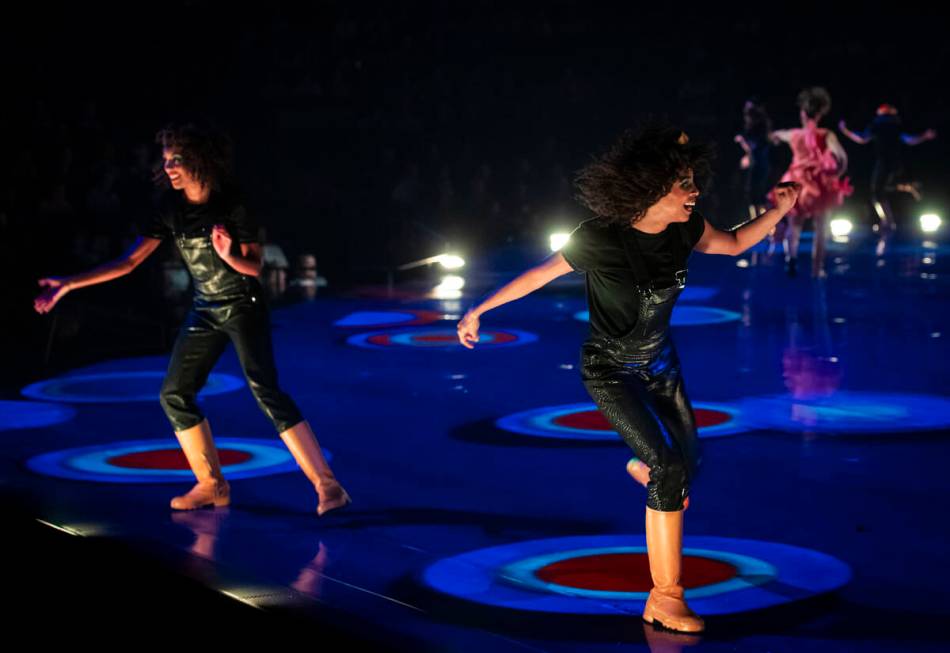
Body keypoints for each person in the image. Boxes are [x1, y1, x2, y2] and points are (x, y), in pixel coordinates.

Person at [457, 124, 800, 633]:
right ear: (651, 189)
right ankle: (664, 597)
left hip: (661, 365)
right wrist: (479, 310)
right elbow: (537, 275)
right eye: (684, 183)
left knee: (686, 467)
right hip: (610, 369)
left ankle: (651, 471)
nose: (695, 191)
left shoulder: (687, 228)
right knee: (668, 470)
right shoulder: (600, 239)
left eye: (692, 181)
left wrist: (779, 211)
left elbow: (731, 244)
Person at [34, 123, 350, 516]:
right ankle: (211, 484)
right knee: (174, 394)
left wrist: (227, 253)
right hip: (205, 308)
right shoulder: (170, 209)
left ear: (199, 160)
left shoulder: (232, 203)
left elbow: (253, 266)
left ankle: (328, 485)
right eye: (165, 159)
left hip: (243, 303)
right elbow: (130, 261)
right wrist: (68, 284)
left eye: (176, 159)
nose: (168, 166)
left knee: (266, 390)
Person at [770, 87, 852, 277]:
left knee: (794, 224)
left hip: (796, 181)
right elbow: (842, 157)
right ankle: (817, 269)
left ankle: (791, 259)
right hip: (818, 184)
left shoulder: (794, 134)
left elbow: (778, 134)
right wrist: (837, 174)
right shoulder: (826, 134)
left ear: (803, 113)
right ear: (819, 113)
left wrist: (774, 136)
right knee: (821, 226)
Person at [838, 104, 937, 238]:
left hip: (886, 162)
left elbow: (862, 138)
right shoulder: (892, 125)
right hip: (893, 163)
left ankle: (888, 221)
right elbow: (909, 140)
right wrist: (924, 136)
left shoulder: (880, 125)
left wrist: (845, 131)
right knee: (882, 189)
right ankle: (906, 191)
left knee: (877, 191)